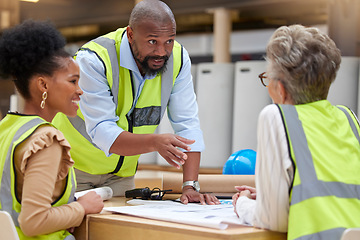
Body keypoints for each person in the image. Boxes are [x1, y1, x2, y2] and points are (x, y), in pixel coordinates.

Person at [52, 0, 219, 205]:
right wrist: (154, 142)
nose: (161, 51)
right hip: (73, 171)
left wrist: (190, 186)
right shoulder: (93, 60)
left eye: (169, 41)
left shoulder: (178, 58)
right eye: (152, 41)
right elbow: (103, 131)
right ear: (131, 35)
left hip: (121, 177)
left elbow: (188, 124)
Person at [232, 24, 360, 240]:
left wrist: (242, 203)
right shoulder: (349, 118)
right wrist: (273, 196)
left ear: (280, 89)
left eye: (267, 78)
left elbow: (273, 220)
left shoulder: (275, 116)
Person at [0, 20, 104, 239]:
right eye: (73, 81)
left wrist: (65, 214)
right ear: (43, 85)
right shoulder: (46, 140)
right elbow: (34, 222)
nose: (80, 91)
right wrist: (82, 208)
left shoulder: (7, 128)